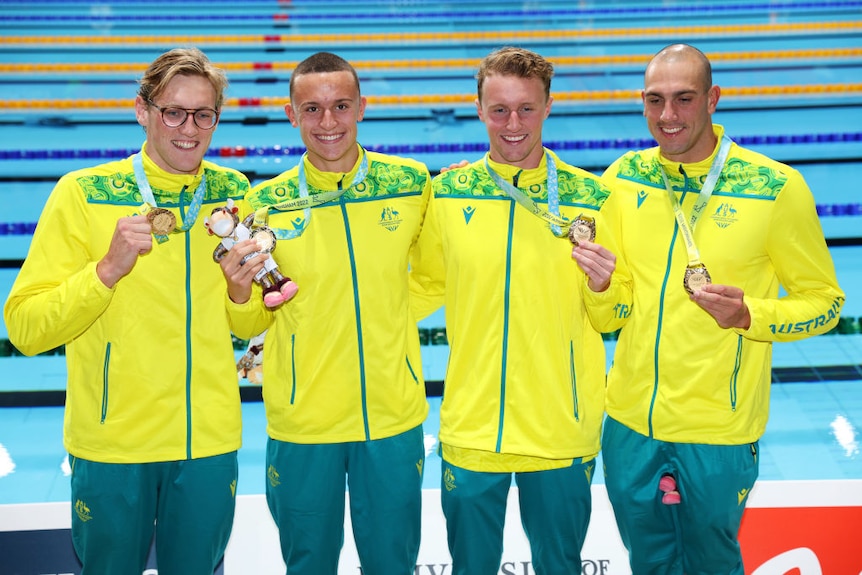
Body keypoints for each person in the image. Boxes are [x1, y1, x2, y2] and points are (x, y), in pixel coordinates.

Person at [572, 43, 845, 574]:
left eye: (684, 99)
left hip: (717, 428)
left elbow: (826, 304)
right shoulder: (623, 179)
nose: (668, 116)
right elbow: (611, 314)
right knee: (647, 560)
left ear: (713, 99)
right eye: (655, 100)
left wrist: (751, 317)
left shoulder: (775, 188)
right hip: (630, 421)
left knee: (712, 561)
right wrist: (602, 290)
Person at [3, 47, 249, 574]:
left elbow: (250, 327)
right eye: (173, 111)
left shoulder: (233, 193)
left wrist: (240, 292)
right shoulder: (83, 194)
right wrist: (105, 272)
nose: (189, 128)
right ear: (143, 110)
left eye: (203, 114)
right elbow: (24, 326)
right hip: (114, 445)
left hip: (206, 444)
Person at [218, 51, 431, 575]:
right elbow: (247, 324)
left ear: (362, 106)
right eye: (311, 109)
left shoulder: (410, 183)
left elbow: (436, 275)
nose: (328, 122)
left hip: (390, 415)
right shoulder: (265, 204)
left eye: (340, 106)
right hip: (302, 424)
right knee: (308, 563)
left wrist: (386, 314)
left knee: (392, 563)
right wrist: (238, 293)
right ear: (291, 115)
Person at [408, 46, 611, 575]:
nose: (513, 123)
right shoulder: (447, 193)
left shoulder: (592, 198)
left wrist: (605, 285)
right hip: (473, 428)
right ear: (478, 109)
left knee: (561, 565)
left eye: (526, 108)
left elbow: (615, 311)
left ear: (548, 106)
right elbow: (421, 286)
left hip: (560, 427)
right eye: (499, 109)